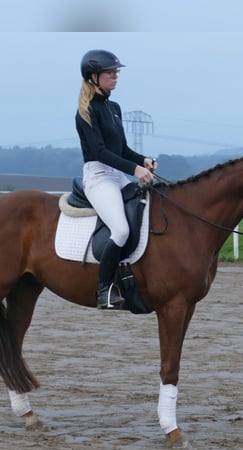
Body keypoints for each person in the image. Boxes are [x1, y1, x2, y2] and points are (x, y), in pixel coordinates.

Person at [75, 49, 157, 309]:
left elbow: (121, 150)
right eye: (111, 73)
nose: (116, 76)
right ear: (93, 77)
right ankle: (104, 290)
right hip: (98, 176)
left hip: (116, 174)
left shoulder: (114, 108)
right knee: (120, 230)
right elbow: (100, 152)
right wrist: (134, 170)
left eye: (116, 72)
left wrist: (142, 160)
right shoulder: (86, 112)